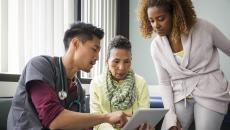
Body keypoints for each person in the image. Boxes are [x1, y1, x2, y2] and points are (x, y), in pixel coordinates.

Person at [7, 22, 129, 130]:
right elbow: (53, 120)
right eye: (94, 49)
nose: (97, 57)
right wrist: (106, 117)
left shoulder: (78, 89)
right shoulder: (40, 65)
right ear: (75, 43)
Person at [137, 0, 230, 130]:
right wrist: (170, 117)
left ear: (175, 14)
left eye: (161, 19)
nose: (156, 25)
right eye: (151, 21)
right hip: (181, 94)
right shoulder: (156, 46)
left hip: (210, 90)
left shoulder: (204, 28)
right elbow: (164, 82)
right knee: (170, 127)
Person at [89, 35, 151, 130]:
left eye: (126, 62)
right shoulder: (96, 84)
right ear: (107, 61)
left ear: (131, 61)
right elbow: (96, 121)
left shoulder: (140, 83)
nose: (121, 68)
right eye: (116, 61)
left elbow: (144, 118)